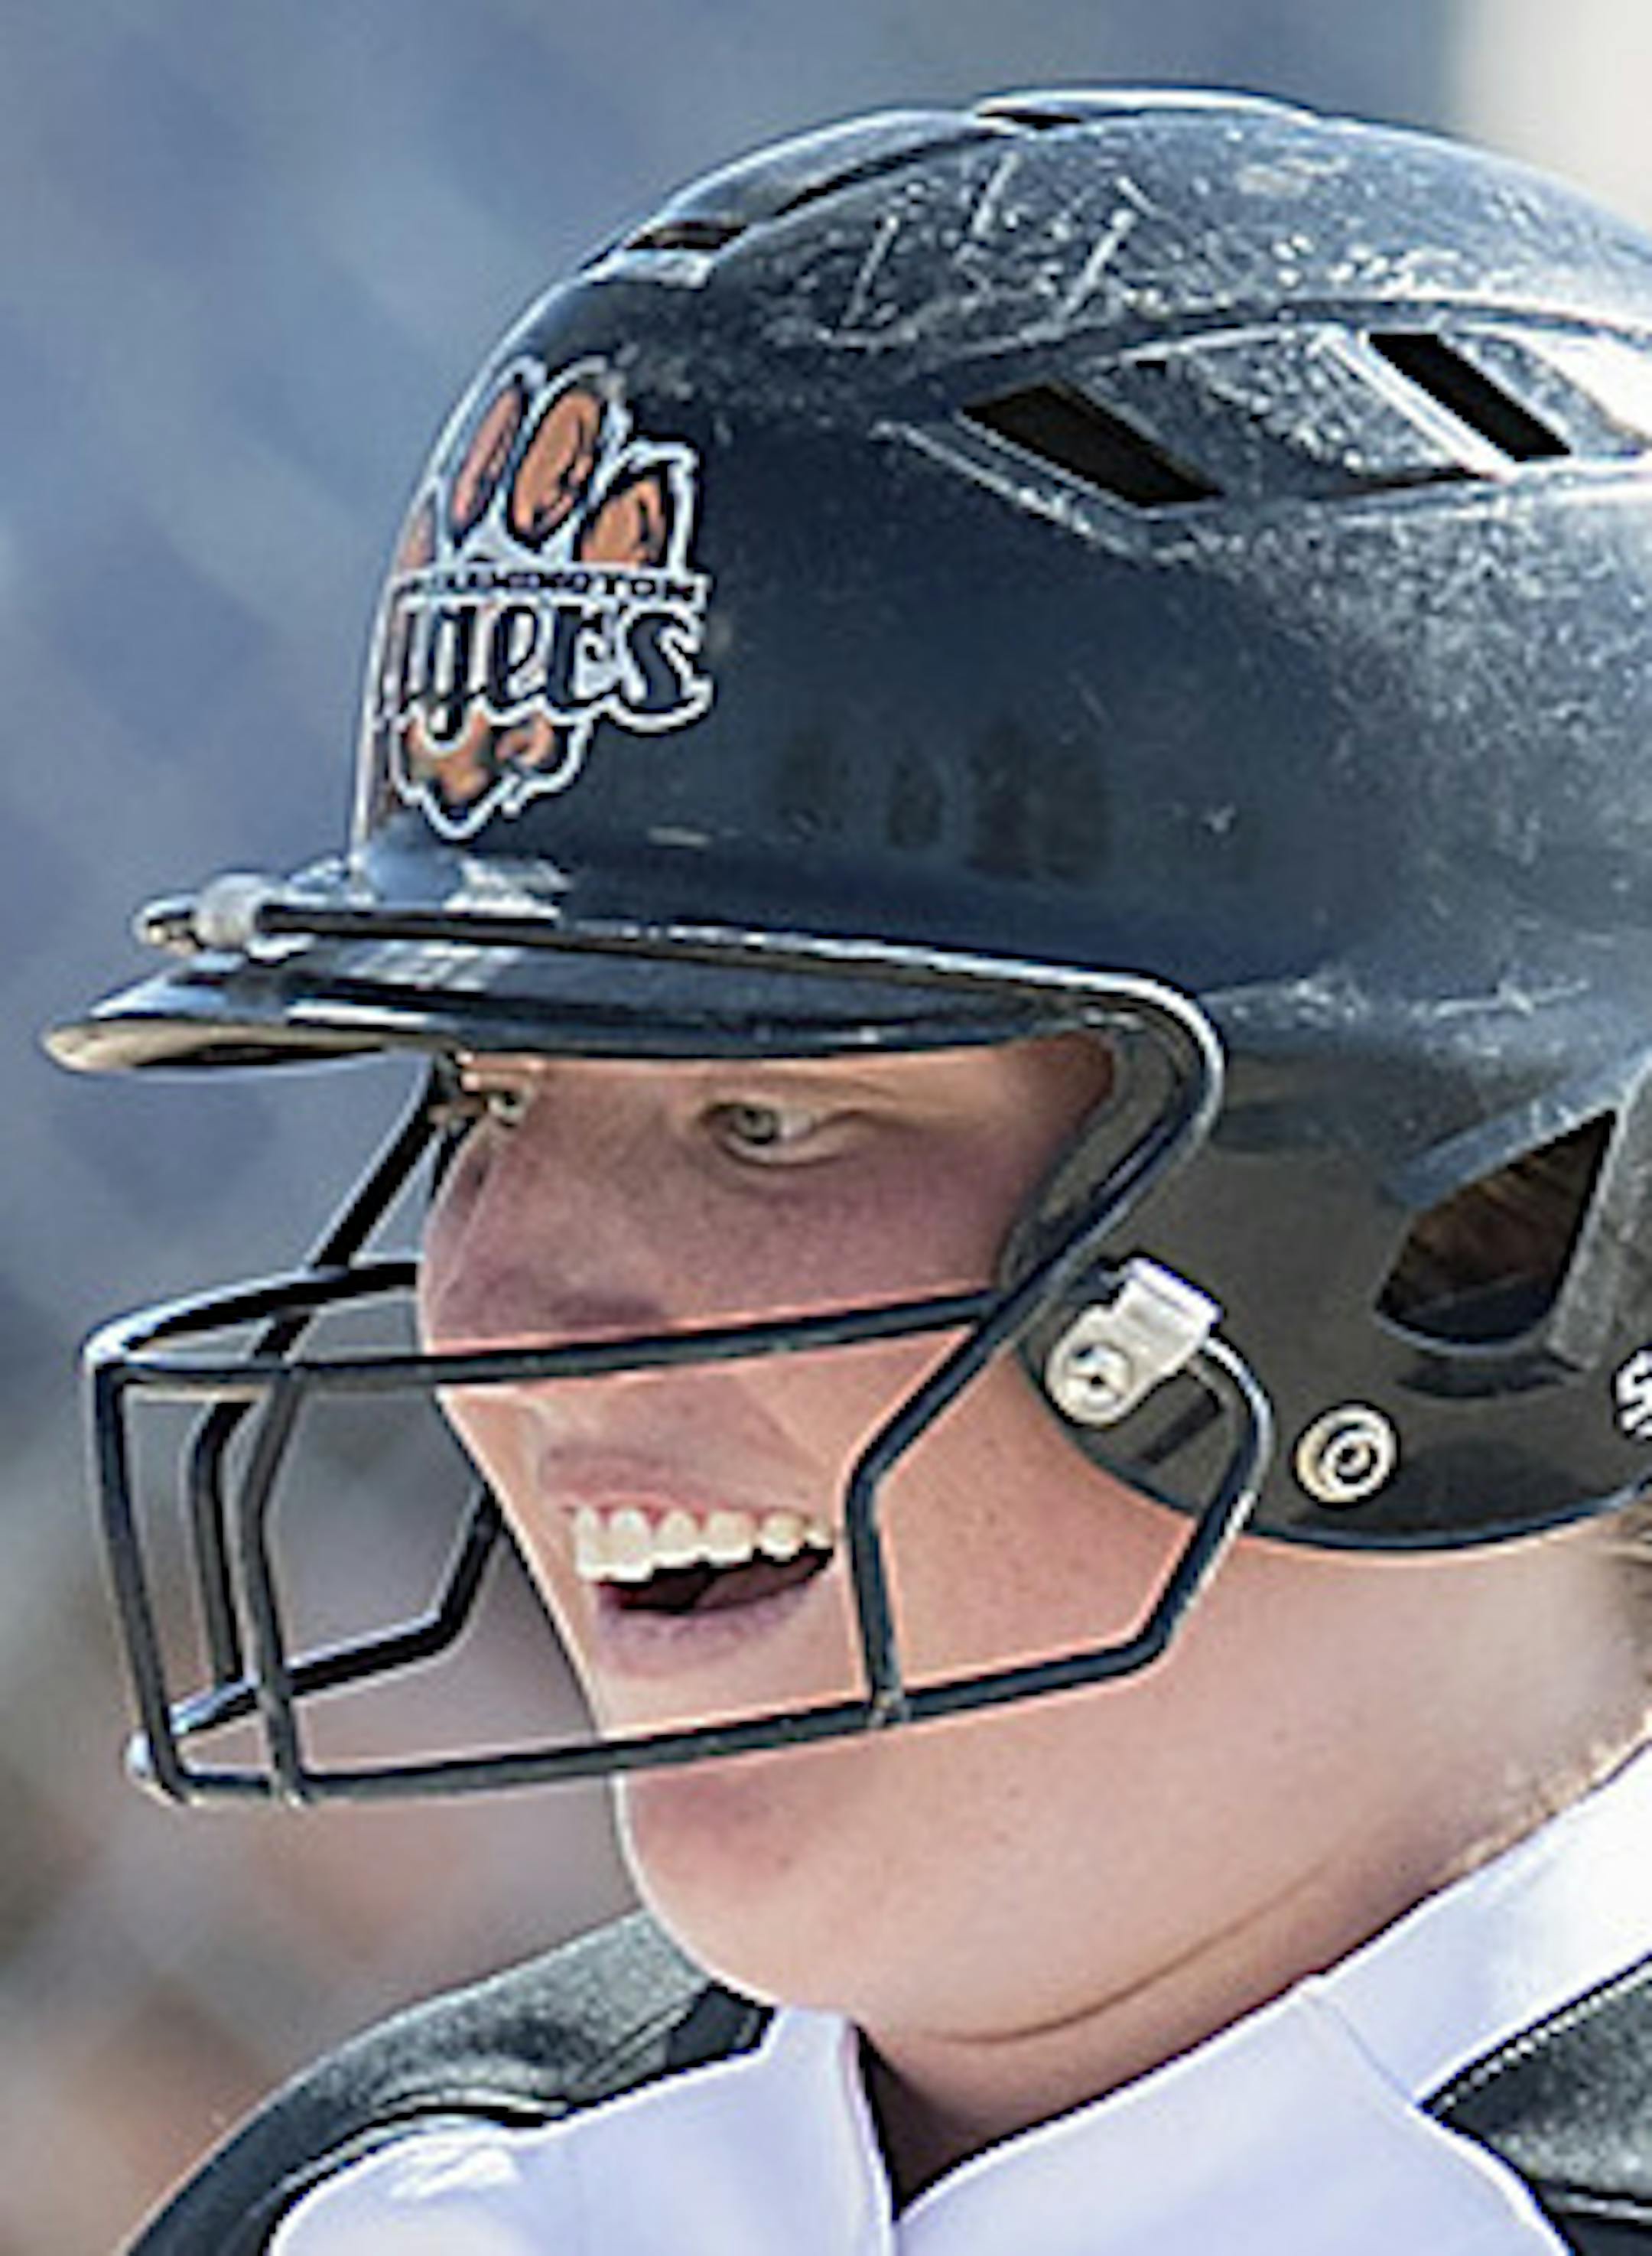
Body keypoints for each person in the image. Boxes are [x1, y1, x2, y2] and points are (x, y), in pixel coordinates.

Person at [50, 85, 1652, 2254]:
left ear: (1486, 1236)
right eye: (485, 1105)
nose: (503, 1326)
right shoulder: (406, 2202)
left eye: (768, 1118)